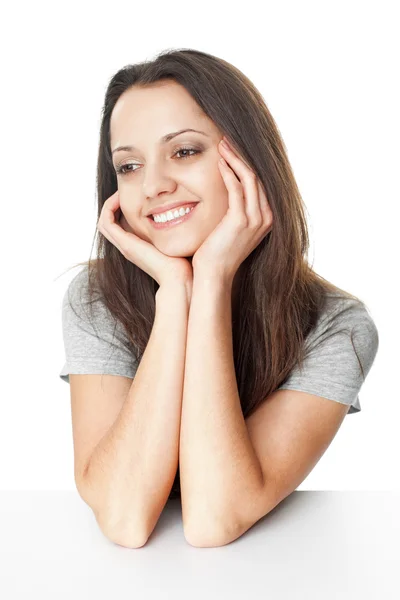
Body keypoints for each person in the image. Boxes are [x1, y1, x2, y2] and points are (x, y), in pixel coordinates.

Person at [59, 48, 379, 548]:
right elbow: (123, 517)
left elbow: (214, 519)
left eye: (184, 151)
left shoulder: (337, 326)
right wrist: (175, 294)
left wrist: (211, 280)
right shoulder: (98, 298)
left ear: (248, 160)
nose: (153, 185)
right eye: (128, 166)